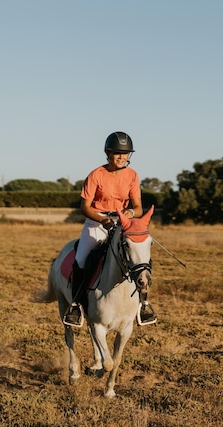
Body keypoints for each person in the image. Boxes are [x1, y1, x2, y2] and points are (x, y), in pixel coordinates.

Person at [62, 131, 157, 327]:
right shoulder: (96, 175)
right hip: (97, 223)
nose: (122, 157)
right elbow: (85, 207)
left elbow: (138, 208)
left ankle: (143, 304)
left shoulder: (132, 175)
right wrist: (102, 219)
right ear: (108, 153)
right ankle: (76, 305)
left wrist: (130, 214)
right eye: (117, 153)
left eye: (126, 153)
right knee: (81, 261)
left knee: (140, 258)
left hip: (122, 223)